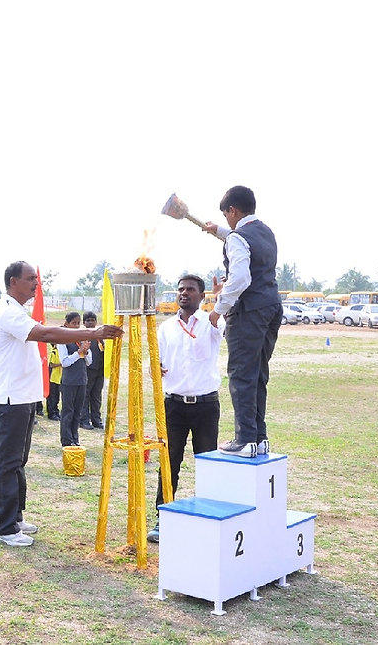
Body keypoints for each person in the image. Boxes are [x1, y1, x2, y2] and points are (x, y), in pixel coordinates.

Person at [0, 261, 121, 547]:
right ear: (13, 282)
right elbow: (46, 334)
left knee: (17, 462)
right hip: (11, 399)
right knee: (6, 462)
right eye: (30, 279)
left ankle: (14, 517)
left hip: (21, 398)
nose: (36, 283)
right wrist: (93, 333)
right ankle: (3, 527)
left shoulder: (16, 311)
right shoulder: (8, 312)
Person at [204, 185, 283, 457]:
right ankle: (259, 438)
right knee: (258, 374)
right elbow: (242, 241)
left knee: (241, 375)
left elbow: (239, 278)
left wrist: (218, 308)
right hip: (271, 307)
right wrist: (220, 232)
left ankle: (245, 438)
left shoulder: (237, 238)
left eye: (226, 215)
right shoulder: (265, 232)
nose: (227, 220)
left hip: (248, 311)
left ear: (232, 210)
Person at [147, 274, 224, 543]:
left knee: (207, 464)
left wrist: (220, 299)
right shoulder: (166, 328)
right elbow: (157, 362)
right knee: (169, 464)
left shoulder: (210, 322)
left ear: (201, 296)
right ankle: (162, 518)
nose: (184, 293)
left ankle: (209, 518)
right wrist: (154, 368)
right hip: (174, 406)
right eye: (180, 289)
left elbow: (222, 321)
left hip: (205, 405)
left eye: (191, 290)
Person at [56, 312, 91, 447]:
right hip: (69, 381)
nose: (76, 326)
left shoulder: (81, 339)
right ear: (67, 324)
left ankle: (75, 438)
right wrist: (78, 353)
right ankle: (66, 440)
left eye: (78, 323)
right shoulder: (62, 340)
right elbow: (64, 362)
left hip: (82, 380)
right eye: (73, 323)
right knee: (68, 411)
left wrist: (86, 351)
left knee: (78, 411)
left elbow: (89, 361)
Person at [82, 311, 105, 430]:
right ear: (84, 323)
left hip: (100, 370)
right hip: (88, 370)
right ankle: (84, 420)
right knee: (85, 395)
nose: (90, 323)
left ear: (96, 322)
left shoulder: (100, 336)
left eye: (92, 320)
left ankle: (96, 419)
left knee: (96, 396)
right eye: (88, 321)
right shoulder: (82, 336)